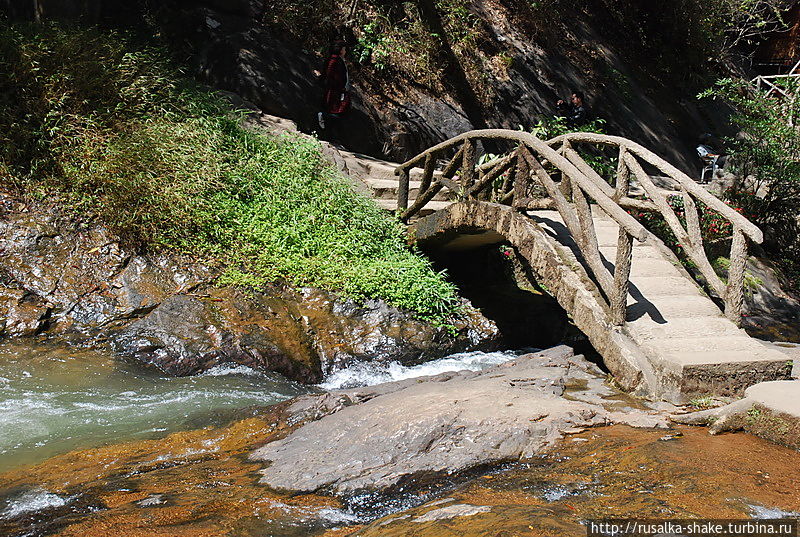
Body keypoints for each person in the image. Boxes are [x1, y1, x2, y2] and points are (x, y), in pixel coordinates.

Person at [317, 40, 351, 130]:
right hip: (334, 89)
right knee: (334, 109)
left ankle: (328, 128)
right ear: (340, 50)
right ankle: (323, 118)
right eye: (344, 49)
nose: (345, 51)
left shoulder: (338, 59)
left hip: (337, 88)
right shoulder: (334, 59)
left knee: (339, 109)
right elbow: (329, 73)